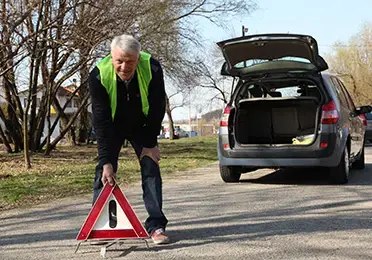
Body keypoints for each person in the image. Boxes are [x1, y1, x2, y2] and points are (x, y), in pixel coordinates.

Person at [88, 34, 169, 244]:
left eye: (130, 62)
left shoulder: (152, 68)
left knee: (151, 167)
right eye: (119, 61)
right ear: (111, 57)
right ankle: (100, 227)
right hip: (112, 126)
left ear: (138, 57)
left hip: (142, 125)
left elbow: (158, 106)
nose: (125, 67)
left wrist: (150, 143)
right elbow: (101, 120)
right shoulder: (98, 75)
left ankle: (156, 226)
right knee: (103, 172)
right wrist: (106, 160)